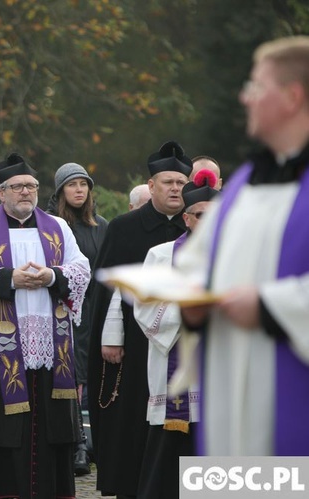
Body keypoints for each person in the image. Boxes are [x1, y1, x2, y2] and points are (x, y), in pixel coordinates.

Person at [178, 36, 309, 456]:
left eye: (255, 86)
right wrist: (192, 303)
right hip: (229, 396)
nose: (244, 97)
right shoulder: (240, 185)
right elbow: (196, 265)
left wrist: (270, 306)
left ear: (292, 96)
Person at [0, 153, 90, 499]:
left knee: (48, 430)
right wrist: (9, 278)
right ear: (1, 193)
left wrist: (51, 276)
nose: (25, 192)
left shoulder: (58, 228)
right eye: (17, 187)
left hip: (49, 348)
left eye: (31, 186)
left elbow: (81, 270)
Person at [87, 141, 191, 498]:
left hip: (186, 347)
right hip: (134, 343)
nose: (176, 188)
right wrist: (110, 336)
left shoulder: (196, 229)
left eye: (181, 182)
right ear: (151, 186)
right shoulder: (124, 227)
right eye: (168, 182)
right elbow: (108, 291)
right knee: (131, 419)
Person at [133, 171, 218, 499]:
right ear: (186, 218)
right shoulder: (161, 255)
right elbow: (145, 307)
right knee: (173, 450)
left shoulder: (235, 255)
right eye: (201, 216)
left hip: (221, 363)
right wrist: (189, 309)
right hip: (179, 362)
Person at [46, 162, 108, 476]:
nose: (79, 190)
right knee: (69, 379)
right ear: (60, 191)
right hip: (63, 313)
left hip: (95, 313)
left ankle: (91, 443)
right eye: (72, 185)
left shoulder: (101, 226)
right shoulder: (52, 226)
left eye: (84, 184)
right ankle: (76, 447)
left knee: (90, 379)